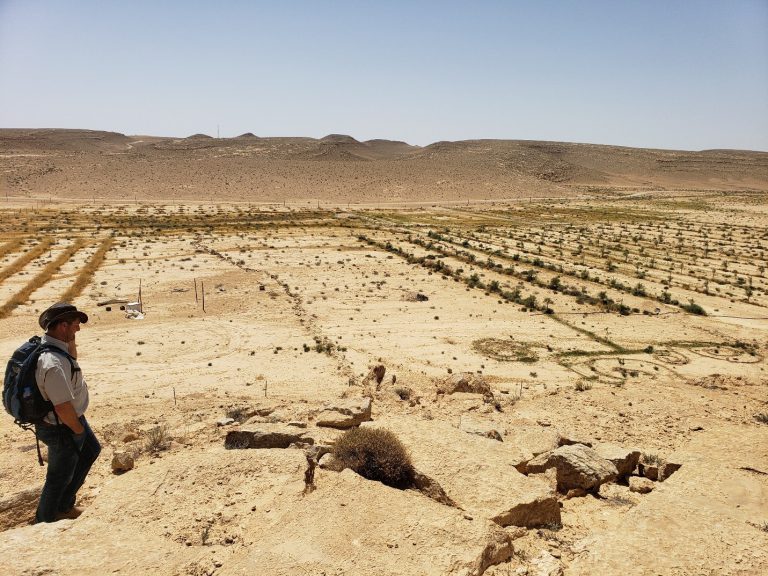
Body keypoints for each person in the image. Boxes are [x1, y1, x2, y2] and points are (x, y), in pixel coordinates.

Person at [34, 302, 101, 523]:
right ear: (62, 326)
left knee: (90, 451)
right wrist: (77, 429)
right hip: (62, 426)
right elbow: (62, 407)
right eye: (74, 325)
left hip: (70, 420)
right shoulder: (52, 363)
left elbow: (73, 357)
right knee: (58, 477)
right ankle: (45, 521)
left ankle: (63, 505)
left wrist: (70, 339)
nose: (78, 329)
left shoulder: (58, 348)